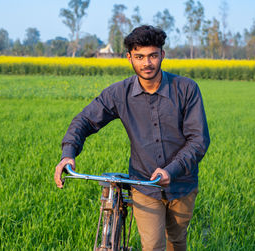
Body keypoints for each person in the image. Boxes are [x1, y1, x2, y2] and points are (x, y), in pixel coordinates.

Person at [55, 25, 210, 251]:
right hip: (144, 184)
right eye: (139, 57)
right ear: (129, 58)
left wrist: (172, 170)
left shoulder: (186, 89)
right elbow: (85, 120)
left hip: (182, 184)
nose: (146, 63)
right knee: (153, 245)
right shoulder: (119, 93)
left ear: (162, 55)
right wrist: (68, 154)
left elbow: (198, 140)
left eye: (152, 56)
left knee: (176, 242)